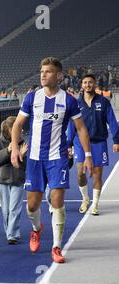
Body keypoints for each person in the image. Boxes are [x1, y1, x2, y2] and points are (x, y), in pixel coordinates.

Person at [11, 57, 93, 264]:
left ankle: (56, 246)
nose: (43, 74)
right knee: (32, 205)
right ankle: (37, 229)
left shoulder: (68, 100)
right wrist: (14, 148)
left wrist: (88, 154)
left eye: (48, 71)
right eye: (42, 71)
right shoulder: (31, 98)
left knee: (57, 201)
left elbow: (81, 128)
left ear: (59, 76)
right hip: (35, 159)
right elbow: (18, 124)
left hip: (57, 158)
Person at [67, 73, 119, 215]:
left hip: (99, 142)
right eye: (85, 82)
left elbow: (112, 121)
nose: (87, 85)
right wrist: (68, 144)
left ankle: (95, 204)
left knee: (96, 174)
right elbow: (72, 126)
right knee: (80, 173)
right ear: (81, 85)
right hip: (79, 143)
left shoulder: (103, 102)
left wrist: (116, 140)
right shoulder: (76, 104)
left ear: (94, 84)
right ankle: (85, 199)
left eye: (90, 82)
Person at [0, 116, 27, 245]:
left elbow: (26, 165)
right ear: (10, 129)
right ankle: (9, 231)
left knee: (15, 209)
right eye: (19, 128)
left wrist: (21, 155)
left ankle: (13, 234)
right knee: (6, 210)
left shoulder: (23, 143)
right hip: (4, 181)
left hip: (18, 180)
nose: (21, 131)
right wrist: (8, 151)